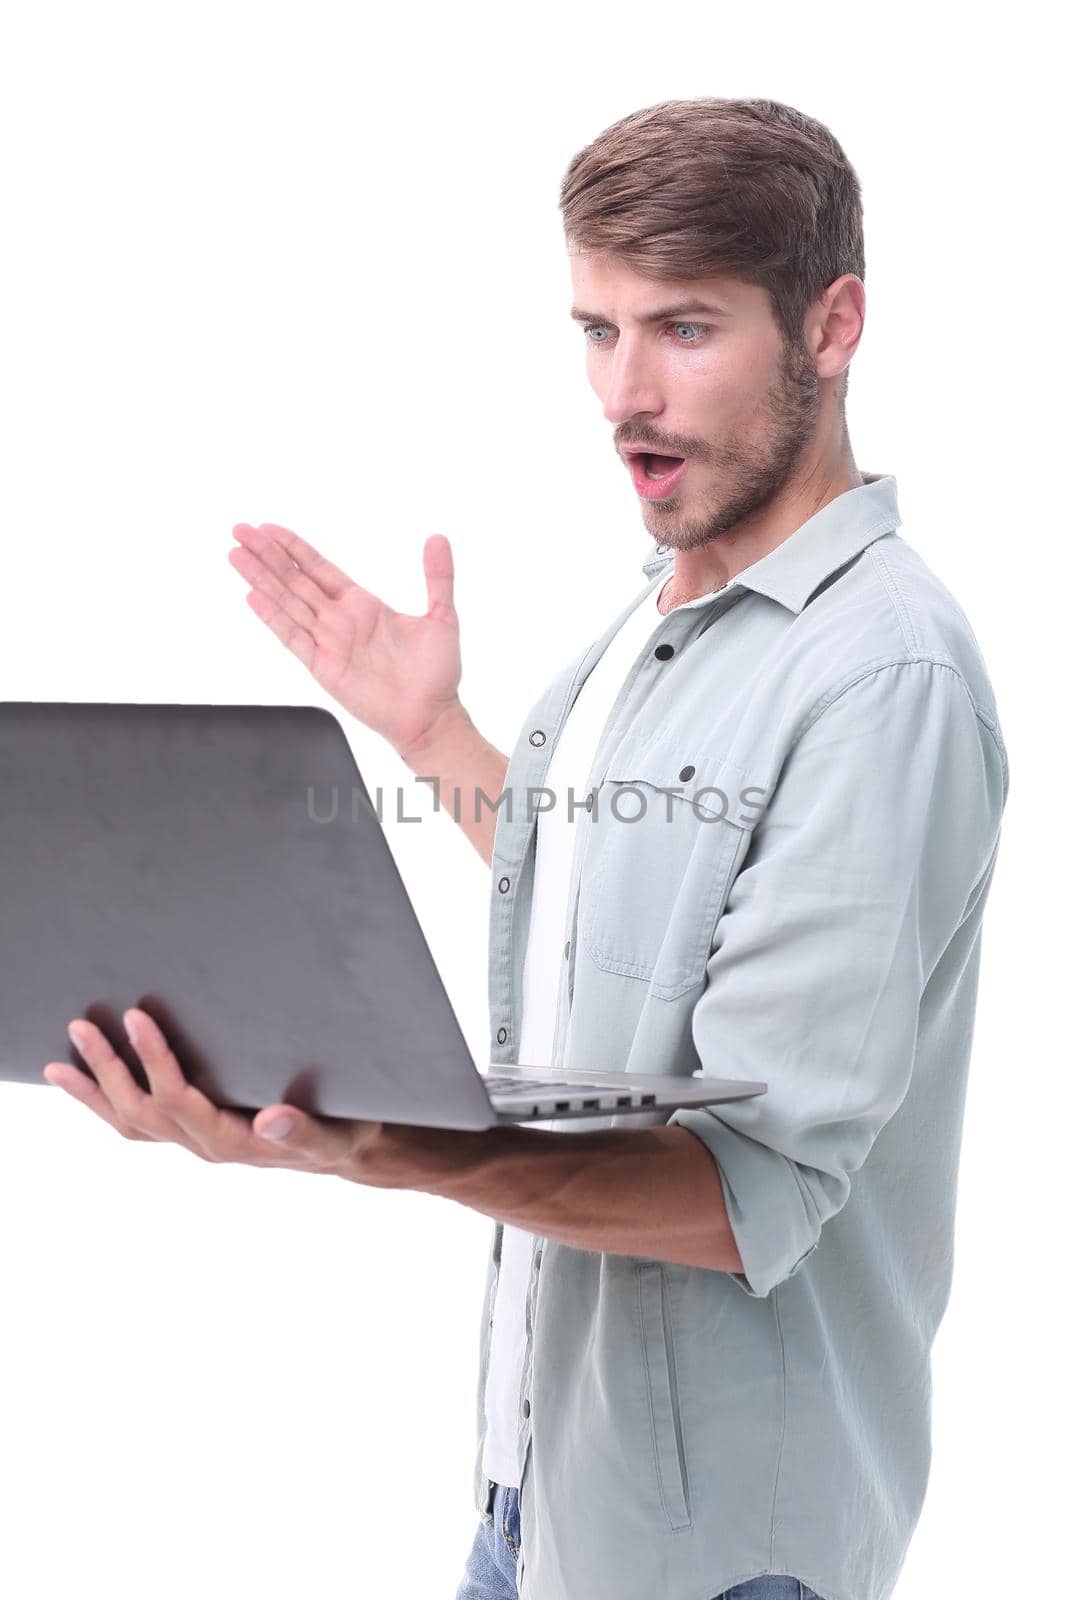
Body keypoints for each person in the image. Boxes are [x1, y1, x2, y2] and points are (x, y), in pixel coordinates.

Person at [46, 96, 1009, 1600]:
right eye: (596, 329)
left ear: (834, 327)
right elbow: (609, 903)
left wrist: (380, 1146)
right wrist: (436, 739)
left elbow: (746, 1189)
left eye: (684, 330)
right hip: (544, 1497)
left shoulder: (882, 677)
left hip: (714, 1562)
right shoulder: (665, 615)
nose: (625, 392)